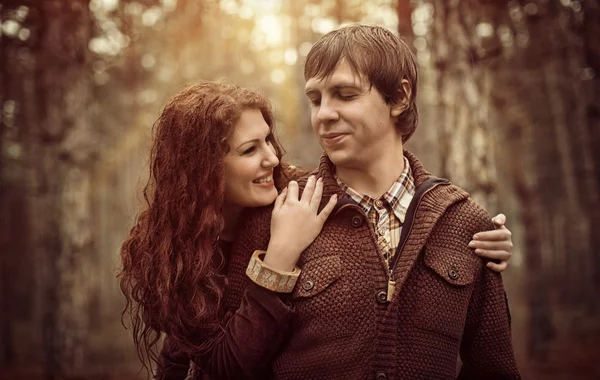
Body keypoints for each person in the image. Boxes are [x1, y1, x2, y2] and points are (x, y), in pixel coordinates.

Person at [118, 80, 514, 379]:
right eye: (249, 150)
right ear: (202, 170)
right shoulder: (173, 248)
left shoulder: (295, 195)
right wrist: (279, 257)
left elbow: (375, 208)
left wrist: (474, 232)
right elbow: (205, 359)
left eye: (268, 141)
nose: (272, 158)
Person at [204, 25, 521, 379]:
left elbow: (496, 369)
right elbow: (222, 368)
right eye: (315, 99)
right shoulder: (277, 217)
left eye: (345, 94)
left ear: (399, 97)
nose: (324, 114)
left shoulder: (465, 224)